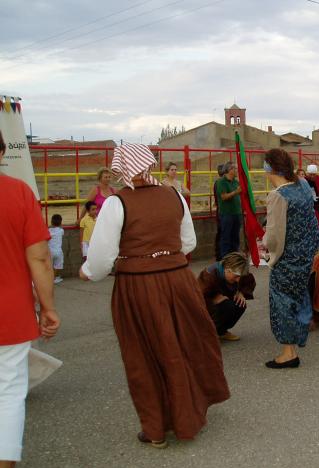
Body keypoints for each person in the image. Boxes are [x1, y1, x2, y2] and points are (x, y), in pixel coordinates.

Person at [79, 143, 229, 447]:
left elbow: (102, 258)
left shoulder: (117, 203)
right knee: (184, 345)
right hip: (179, 281)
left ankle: (157, 427)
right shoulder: (174, 195)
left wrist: (88, 271)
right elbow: (188, 243)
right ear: (149, 164)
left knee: (144, 356)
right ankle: (188, 414)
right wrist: (164, 254)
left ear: (122, 168)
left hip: (139, 286)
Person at [1, 130, 61, 468]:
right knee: (8, 395)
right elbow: (39, 257)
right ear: (2, 152)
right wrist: (47, 307)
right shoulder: (19, 192)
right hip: (9, 313)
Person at [261, 148, 319, 368]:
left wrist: (269, 254)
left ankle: (288, 353)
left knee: (282, 303)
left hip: (287, 259)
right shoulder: (302, 185)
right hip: (305, 255)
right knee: (298, 298)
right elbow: (312, 223)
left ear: (270, 168)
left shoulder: (278, 195)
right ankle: (295, 344)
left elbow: (274, 236)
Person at [198, 252, 255, 342]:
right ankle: (208, 334)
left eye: (240, 277)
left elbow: (248, 282)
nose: (238, 280)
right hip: (206, 304)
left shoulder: (239, 270)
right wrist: (214, 298)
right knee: (226, 306)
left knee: (240, 304)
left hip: (225, 298)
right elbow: (198, 296)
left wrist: (241, 292)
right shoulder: (209, 274)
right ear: (227, 269)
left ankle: (221, 331)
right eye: (236, 277)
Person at [216, 162, 242, 258]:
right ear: (229, 170)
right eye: (235, 168)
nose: (237, 170)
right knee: (226, 237)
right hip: (226, 214)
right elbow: (223, 197)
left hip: (237, 213)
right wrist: (236, 192)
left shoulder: (236, 182)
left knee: (235, 237)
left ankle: (234, 258)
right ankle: (225, 259)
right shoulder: (221, 182)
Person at [306, 164, 319, 244]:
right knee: (312, 224)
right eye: (310, 174)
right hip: (309, 206)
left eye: (314, 174)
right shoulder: (304, 181)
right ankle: (313, 240)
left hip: (318, 204)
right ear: (308, 174)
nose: (312, 176)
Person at [213, 163, 226, 260]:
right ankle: (220, 255)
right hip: (222, 211)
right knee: (222, 233)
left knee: (221, 233)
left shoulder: (218, 182)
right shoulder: (220, 183)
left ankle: (220, 255)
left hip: (221, 210)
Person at [48, 214, 64, 284]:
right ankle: (54, 278)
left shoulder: (48, 230)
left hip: (50, 251)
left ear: (51, 222)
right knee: (57, 265)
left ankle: (49, 278)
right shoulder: (61, 231)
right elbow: (61, 230)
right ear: (60, 222)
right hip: (58, 251)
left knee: (49, 265)